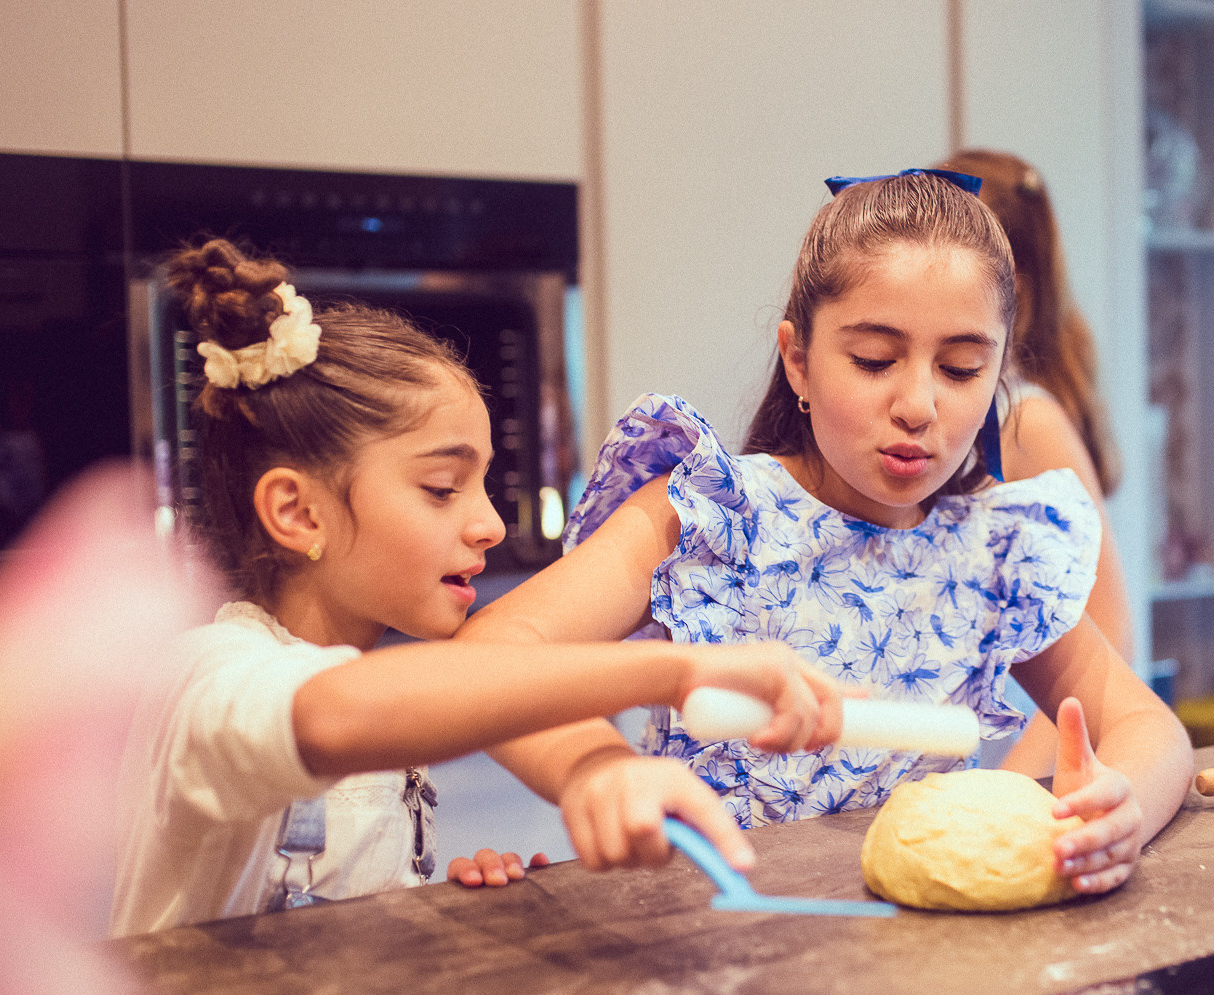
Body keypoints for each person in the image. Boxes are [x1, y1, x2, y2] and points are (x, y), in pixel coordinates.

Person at [463, 171, 1192, 895]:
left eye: (962, 367)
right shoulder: (709, 518)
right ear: (799, 360)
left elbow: (1149, 729)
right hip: (711, 956)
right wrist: (600, 767)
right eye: (875, 360)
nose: (918, 404)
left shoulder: (992, 551)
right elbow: (485, 658)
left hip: (920, 967)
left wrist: (1118, 804)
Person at [110, 239, 850, 936]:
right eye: (441, 488)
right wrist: (677, 670)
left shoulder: (378, 680)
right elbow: (339, 713)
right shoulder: (208, 674)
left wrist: (425, 907)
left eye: (484, 484)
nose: (491, 524)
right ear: (299, 511)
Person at [937, 148, 1130, 779]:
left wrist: (1013, 789)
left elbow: (1110, 632)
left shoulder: (1026, 419)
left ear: (1009, 292)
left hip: (1024, 760)